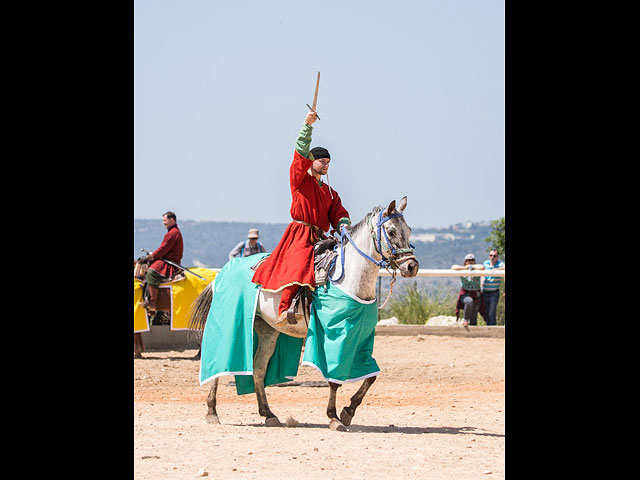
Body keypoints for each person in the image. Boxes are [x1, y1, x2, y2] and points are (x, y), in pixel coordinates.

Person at [251, 110, 351, 326]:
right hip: (300, 233)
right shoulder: (300, 181)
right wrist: (308, 125)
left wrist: (343, 226)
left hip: (321, 236)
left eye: (328, 162)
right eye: (321, 161)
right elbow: (299, 156)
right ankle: (284, 307)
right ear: (312, 161)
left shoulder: (331, 192)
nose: (325, 165)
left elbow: (339, 213)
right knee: (298, 264)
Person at [137, 211, 184, 314]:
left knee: (152, 272)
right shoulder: (172, 232)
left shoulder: (173, 233)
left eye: (165, 220)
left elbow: (163, 249)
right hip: (166, 259)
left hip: (170, 262)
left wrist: (150, 257)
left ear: (172, 220)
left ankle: (153, 302)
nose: (163, 223)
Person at [452, 253, 485, 327]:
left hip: (476, 294)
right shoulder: (462, 270)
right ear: (465, 261)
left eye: (472, 260)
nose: (470, 262)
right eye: (468, 260)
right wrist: (466, 267)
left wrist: (471, 267)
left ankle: (472, 334)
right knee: (469, 302)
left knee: (474, 314)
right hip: (465, 293)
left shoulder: (477, 269)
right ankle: (465, 319)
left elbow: (482, 267)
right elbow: (454, 267)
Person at [481, 250, 505, 326]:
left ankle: (492, 329)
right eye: (491, 255)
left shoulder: (500, 264)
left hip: (494, 292)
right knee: (486, 312)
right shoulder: (486, 263)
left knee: (492, 312)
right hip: (485, 291)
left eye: (494, 256)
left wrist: (496, 270)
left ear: (497, 257)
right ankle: (488, 328)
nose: (492, 257)